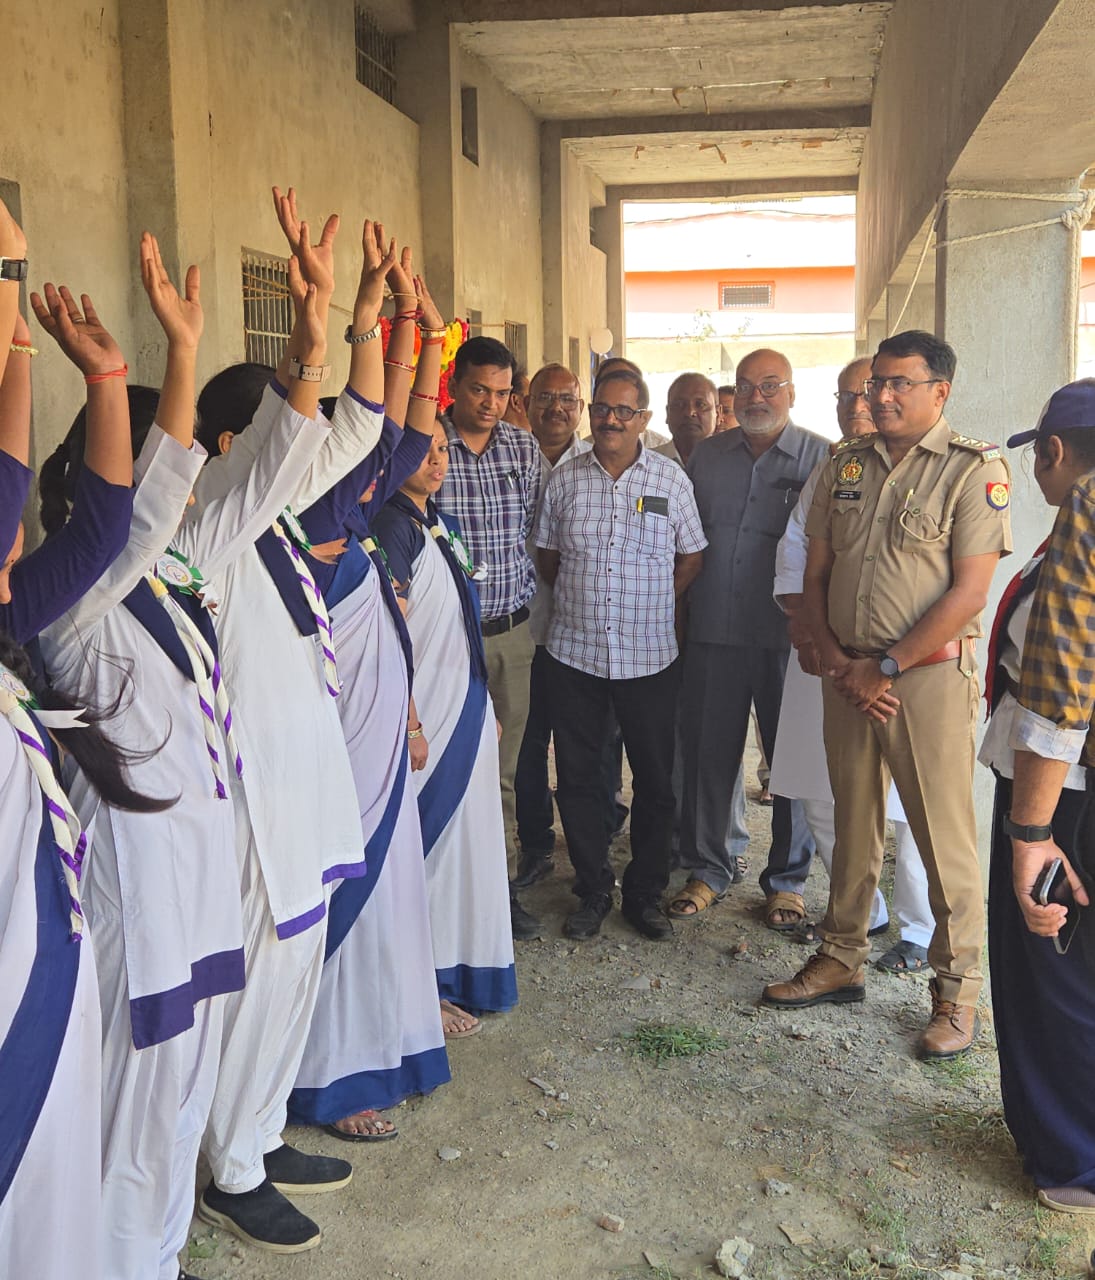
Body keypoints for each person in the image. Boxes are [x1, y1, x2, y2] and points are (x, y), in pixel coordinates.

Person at [194, 188, 386, 1252]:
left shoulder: (265, 527)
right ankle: (229, 1167)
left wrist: (364, 322)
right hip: (256, 801)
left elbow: (355, 429)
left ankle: (260, 1133)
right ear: (233, 444)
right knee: (258, 982)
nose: (298, 448)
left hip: (304, 789)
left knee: (294, 976)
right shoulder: (207, 531)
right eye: (277, 423)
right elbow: (293, 443)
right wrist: (309, 341)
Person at [763, 330, 1011, 1061]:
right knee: (852, 820)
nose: (882, 396)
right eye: (876, 383)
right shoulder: (845, 463)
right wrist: (840, 659)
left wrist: (888, 666)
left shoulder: (972, 469)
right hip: (847, 675)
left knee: (940, 835)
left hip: (924, 680)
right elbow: (814, 572)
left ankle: (957, 991)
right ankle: (841, 956)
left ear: (939, 390)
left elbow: (970, 592)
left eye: (900, 383)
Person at [288, 243, 453, 1140]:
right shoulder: (303, 514)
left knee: (389, 898)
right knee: (343, 903)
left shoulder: (350, 515)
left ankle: (389, 1041)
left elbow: (406, 432)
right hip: (334, 749)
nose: (376, 453)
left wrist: (416, 330)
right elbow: (378, 424)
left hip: (378, 739)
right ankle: (331, 1075)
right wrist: (363, 321)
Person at [767, 356, 934, 969]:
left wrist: (889, 663)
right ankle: (864, 912)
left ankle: (920, 928)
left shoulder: (941, 469)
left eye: (874, 391)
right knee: (822, 789)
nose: (860, 405)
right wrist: (810, 634)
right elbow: (795, 555)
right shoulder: (835, 469)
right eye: (847, 395)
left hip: (908, 668)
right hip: (827, 658)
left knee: (916, 807)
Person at [535, 368, 706, 940]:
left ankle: (644, 894)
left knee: (655, 782)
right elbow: (549, 557)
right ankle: (591, 889)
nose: (610, 419)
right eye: (602, 409)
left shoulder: (669, 479)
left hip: (649, 657)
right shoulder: (566, 479)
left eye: (624, 411)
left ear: (644, 420)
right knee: (580, 780)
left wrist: (654, 602)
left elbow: (692, 556)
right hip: (575, 656)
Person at [981, 379, 1095, 1212]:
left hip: (1068, 797)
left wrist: (1030, 833)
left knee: (1052, 966)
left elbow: (1059, 687)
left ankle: (1072, 1160)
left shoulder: (1084, 511)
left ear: (1052, 452)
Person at [676, 349, 827, 926]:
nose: (755, 397)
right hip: (714, 631)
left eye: (769, 385)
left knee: (791, 762)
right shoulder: (707, 458)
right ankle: (709, 868)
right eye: (744, 386)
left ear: (791, 393)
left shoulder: (822, 458)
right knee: (710, 756)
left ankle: (786, 882)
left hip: (790, 639)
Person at [374, 418, 518, 1017]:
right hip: (427, 715)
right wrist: (409, 721)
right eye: (423, 450)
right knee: (427, 849)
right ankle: (420, 986)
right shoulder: (390, 526)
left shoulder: (439, 522)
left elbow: (461, 621)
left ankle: (461, 969)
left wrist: (483, 703)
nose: (437, 461)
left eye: (441, 449)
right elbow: (390, 634)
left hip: (463, 705)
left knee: (466, 848)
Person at [434, 335, 542, 939]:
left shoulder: (522, 449)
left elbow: (534, 531)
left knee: (502, 771)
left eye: (502, 393)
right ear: (455, 385)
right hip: (444, 641)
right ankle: (442, 892)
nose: (491, 403)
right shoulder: (428, 444)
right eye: (479, 389)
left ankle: (498, 892)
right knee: (444, 761)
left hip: (508, 637)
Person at [513, 363, 592, 887]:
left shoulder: (598, 463)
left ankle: (591, 846)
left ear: (580, 408)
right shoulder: (508, 456)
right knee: (525, 744)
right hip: (521, 628)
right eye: (545, 397)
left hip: (578, 632)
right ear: (526, 403)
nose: (556, 408)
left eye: (567, 399)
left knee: (582, 745)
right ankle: (536, 843)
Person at [657, 371, 717, 467]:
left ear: (718, 413)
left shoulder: (732, 463)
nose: (689, 413)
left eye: (700, 405)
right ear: (667, 413)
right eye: (679, 405)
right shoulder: (646, 463)